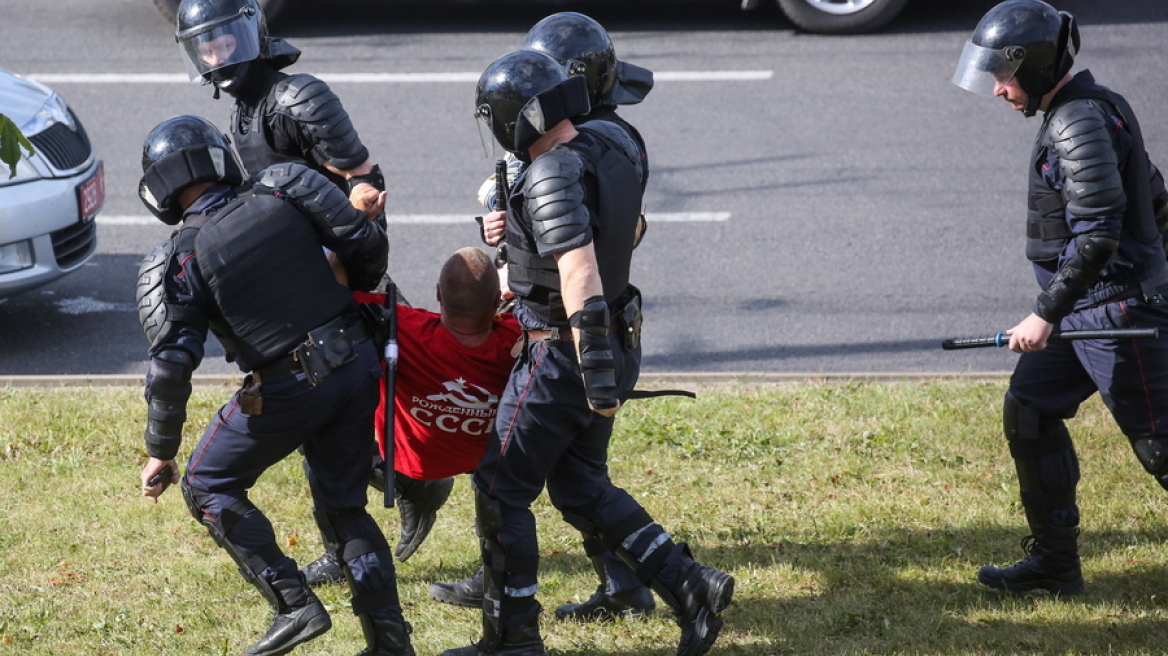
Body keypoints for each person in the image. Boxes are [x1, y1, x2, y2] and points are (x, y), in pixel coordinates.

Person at [442, 50, 734, 656]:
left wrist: (590, 369)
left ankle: (512, 637)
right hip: (613, 341)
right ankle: (691, 586)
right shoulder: (612, 145)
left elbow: (577, 270)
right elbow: (628, 232)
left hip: (564, 353)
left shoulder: (551, 170)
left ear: (516, 117)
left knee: (500, 490)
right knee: (579, 487)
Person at [133, 115, 413, 656]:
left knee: (207, 482)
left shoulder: (180, 258)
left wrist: (160, 451)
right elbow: (365, 245)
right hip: (357, 366)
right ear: (218, 157)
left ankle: (294, 605)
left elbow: (171, 366)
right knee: (345, 509)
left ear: (160, 188)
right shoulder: (287, 184)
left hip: (289, 388)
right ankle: (391, 644)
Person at [441, 11, 657, 623]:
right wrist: (505, 218)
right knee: (579, 475)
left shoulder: (593, 145)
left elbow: (619, 234)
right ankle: (629, 585)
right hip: (603, 321)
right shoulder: (600, 138)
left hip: (572, 330)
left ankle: (507, 599)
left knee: (512, 479)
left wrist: (530, 242)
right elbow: (518, 185)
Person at [952, 0, 1168, 596]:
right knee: (1031, 407)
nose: (997, 90)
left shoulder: (1076, 122)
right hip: (1087, 306)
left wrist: (1044, 314)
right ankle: (1054, 565)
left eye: (1004, 75)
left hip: (1118, 309)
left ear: (1038, 66)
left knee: (1161, 449)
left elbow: (1099, 231)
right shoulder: (1089, 110)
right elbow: (1153, 198)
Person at [298, 247, 521, 583]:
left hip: (413, 458)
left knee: (317, 443)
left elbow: (330, 287)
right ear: (497, 303)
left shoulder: (405, 330)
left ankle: (340, 552)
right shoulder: (518, 337)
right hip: (488, 458)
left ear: (437, 294)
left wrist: (352, 225)